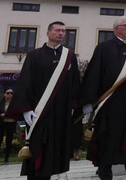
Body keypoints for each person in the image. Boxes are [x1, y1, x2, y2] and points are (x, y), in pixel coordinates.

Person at [7, 21, 80, 180]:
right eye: (57, 30)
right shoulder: (34, 55)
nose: (61, 33)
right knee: (36, 148)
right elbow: (26, 81)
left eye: (63, 31)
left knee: (54, 150)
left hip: (60, 112)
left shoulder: (69, 56)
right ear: (48, 33)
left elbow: (75, 83)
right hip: (38, 112)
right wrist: (26, 108)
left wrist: (73, 105)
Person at [80, 15, 126, 180]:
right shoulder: (104, 48)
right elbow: (94, 74)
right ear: (116, 28)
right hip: (108, 106)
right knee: (106, 142)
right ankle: (105, 175)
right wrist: (88, 101)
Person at [0, 88, 16, 165]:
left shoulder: (15, 103)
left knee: (9, 141)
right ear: (4, 94)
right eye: (8, 93)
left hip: (11, 123)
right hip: (1, 123)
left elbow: (19, 113)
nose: (10, 95)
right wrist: (0, 115)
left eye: (11, 93)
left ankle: (6, 159)